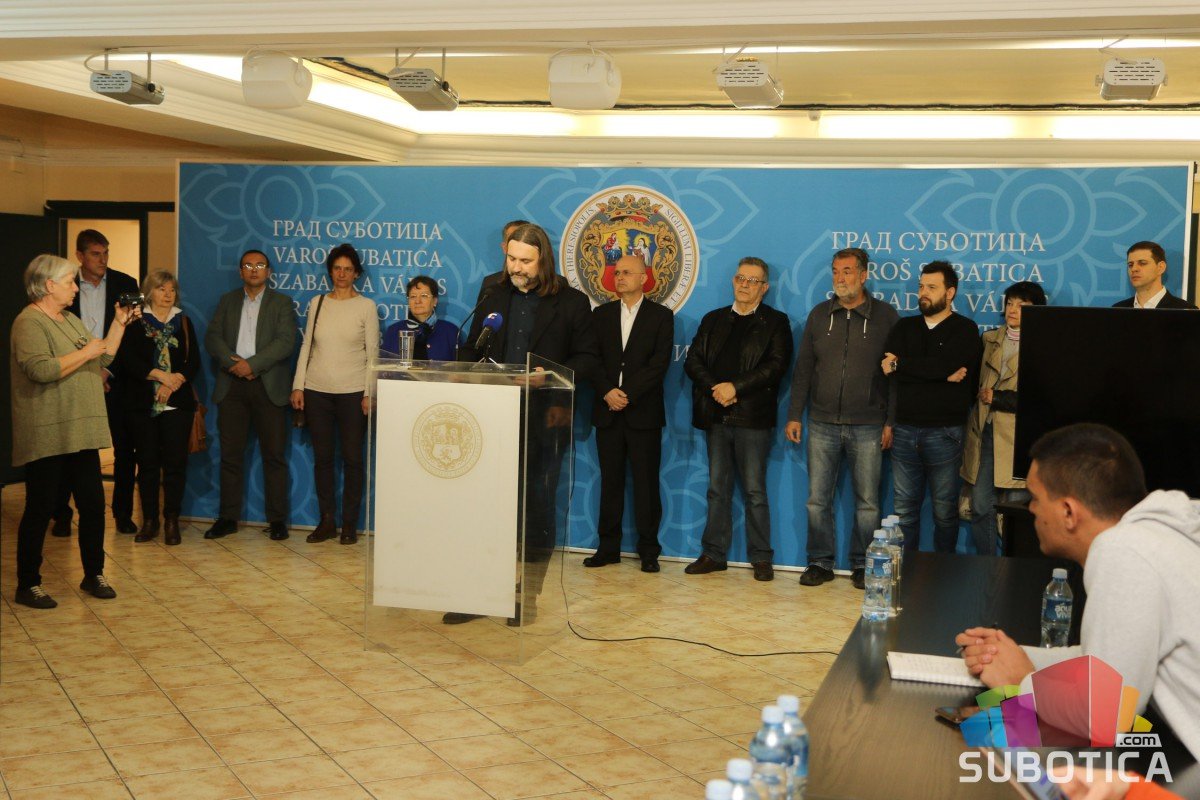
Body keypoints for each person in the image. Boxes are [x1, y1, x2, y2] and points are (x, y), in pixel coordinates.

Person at [957, 423, 1200, 762]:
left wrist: (1021, 681)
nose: (1031, 509)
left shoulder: (1124, 551)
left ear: (1069, 512)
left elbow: (1106, 717)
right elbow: (1106, 659)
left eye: (1035, 498)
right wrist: (1010, 655)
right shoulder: (1156, 539)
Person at [445, 222, 599, 624]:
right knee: (485, 507)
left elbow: (588, 359)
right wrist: (460, 370)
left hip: (543, 418)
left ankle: (525, 595)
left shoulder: (571, 302)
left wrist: (549, 375)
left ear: (543, 259)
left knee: (535, 509)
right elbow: (473, 346)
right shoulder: (493, 292)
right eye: (512, 258)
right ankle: (479, 593)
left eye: (525, 261)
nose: (516, 267)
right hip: (490, 416)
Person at [10, 254, 139, 608]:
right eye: (69, 282)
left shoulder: (69, 319)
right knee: (41, 508)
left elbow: (103, 355)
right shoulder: (29, 322)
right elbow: (41, 370)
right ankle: (28, 584)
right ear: (48, 285)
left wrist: (119, 323)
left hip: (81, 430)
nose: (74, 289)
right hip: (48, 431)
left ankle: (93, 574)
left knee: (93, 505)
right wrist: (86, 353)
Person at [786, 247, 898, 590]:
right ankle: (819, 562)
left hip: (869, 424)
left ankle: (863, 564)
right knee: (816, 501)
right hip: (821, 422)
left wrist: (890, 421)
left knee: (868, 504)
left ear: (864, 275)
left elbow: (896, 375)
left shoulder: (886, 317)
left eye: (847, 271)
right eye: (836, 271)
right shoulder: (820, 315)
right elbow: (804, 369)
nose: (840, 277)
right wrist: (794, 415)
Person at [683, 257, 792, 582]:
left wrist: (735, 388)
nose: (745, 285)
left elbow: (776, 366)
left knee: (755, 491)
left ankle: (761, 557)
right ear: (733, 281)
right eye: (741, 278)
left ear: (764, 287)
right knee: (717, 489)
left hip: (753, 418)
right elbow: (693, 361)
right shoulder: (713, 319)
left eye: (752, 280)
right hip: (716, 414)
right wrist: (717, 389)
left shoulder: (776, 322)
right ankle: (713, 554)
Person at [881, 260, 982, 553]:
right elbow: (886, 367)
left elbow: (945, 365)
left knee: (944, 511)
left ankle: (943, 572)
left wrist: (904, 365)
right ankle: (906, 570)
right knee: (904, 511)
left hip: (945, 433)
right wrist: (942, 375)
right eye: (921, 286)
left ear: (950, 293)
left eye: (931, 287)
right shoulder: (905, 327)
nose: (923, 292)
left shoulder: (965, 329)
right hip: (904, 430)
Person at [584, 254, 674, 573]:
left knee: (646, 484)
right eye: (617, 272)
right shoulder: (601, 314)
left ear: (644, 278)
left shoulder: (661, 316)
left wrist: (627, 394)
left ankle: (648, 551)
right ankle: (608, 548)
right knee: (610, 482)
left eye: (626, 272)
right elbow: (591, 358)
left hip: (643, 413)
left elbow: (658, 365)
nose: (619, 277)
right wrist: (607, 391)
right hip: (607, 410)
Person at [53, 228, 141, 536]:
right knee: (70, 448)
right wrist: (87, 371)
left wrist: (106, 371)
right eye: (95, 254)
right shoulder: (64, 287)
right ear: (80, 256)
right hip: (74, 378)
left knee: (124, 450)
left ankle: (122, 514)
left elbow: (131, 335)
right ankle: (62, 514)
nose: (102, 259)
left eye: (105, 253)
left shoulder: (125, 283)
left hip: (115, 380)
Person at [204, 249, 297, 542]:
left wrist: (252, 365)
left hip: (268, 385)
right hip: (232, 385)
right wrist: (234, 364)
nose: (254, 269)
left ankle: (277, 520)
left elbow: (286, 341)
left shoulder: (281, 303)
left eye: (259, 265)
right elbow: (212, 338)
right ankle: (228, 518)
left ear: (268, 272)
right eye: (248, 265)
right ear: (240, 271)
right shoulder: (227, 301)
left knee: (274, 456)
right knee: (230, 456)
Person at [291, 243, 380, 545]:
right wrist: (298, 385)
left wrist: (369, 393)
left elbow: (373, 353)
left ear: (357, 274)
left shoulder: (366, 306)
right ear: (330, 271)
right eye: (337, 268)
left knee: (353, 459)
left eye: (348, 269)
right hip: (317, 391)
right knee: (323, 459)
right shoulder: (317, 303)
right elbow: (307, 345)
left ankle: (350, 525)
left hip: (353, 393)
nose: (342, 274)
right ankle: (327, 520)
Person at [960, 281, 1046, 556]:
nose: (1013, 309)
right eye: (1010, 303)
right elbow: (973, 384)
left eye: (1022, 305)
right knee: (980, 506)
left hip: (1019, 439)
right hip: (985, 432)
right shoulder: (989, 339)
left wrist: (997, 397)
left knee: (1016, 510)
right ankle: (987, 564)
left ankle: (1015, 568)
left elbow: (1041, 397)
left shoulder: (1043, 344)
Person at [115, 271, 201, 545]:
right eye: (162, 289)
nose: (167, 294)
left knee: (175, 465)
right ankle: (150, 520)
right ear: (149, 292)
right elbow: (128, 359)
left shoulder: (183, 321)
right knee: (148, 465)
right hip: (142, 404)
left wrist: (173, 382)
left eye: (172, 290)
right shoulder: (135, 322)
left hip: (178, 404)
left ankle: (171, 520)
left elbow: (193, 362)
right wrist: (160, 375)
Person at [381, 275, 457, 360]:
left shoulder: (451, 331)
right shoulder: (393, 331)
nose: (417, 301)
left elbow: (458, 366)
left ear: (435, 301)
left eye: (424, 296)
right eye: (413, 296)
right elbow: (385, 366)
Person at [1113, 241, 1197, 310]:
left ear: (1161, 267)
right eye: (1130, 265)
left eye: (1142, 263)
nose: (1134, 269)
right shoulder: (1117, 310)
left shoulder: (1186, 311)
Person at [476, 218, 532, 304]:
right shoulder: (490, 285)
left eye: (524, 241)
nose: (519, 247)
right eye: (513, 241)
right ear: (504, 248)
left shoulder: (553, 285)